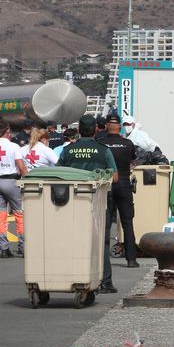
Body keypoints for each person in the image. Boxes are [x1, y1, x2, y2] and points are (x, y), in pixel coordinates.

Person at [58, 115, 120, 292]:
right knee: (102, 241)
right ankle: (105, 282)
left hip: (72, 202)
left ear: (78, 131)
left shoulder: (68, 150)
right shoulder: (103, 150)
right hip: (98, 202)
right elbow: (115, 178)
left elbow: (57, 172)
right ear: (96, 130)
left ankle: (74, 277)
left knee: (73, 240)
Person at [98, 112, 139, 269]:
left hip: (107, 185)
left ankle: (103, 259)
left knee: (106, 224)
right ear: (120, 126)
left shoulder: (100, 143)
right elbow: (132, 160)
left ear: (107, 125)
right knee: (128, 223)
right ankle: (131, 259)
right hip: (124, 184)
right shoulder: (128, 144)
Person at [0, 121, 27, 258]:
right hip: (12, 182)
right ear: (7, 131)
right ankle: (23, 247)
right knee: (20, 215)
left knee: (0, 217)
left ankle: (4, 249)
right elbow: (21, 168)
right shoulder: (14, 147)